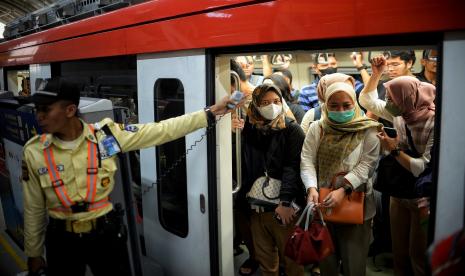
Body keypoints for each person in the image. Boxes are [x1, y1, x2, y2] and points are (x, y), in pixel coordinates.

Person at [22, 77, 241, 276]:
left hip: (106, 235)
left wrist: (210, 113)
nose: (38, 115)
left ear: (70, 110)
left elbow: (161, 130)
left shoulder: (106, 136)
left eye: (46, 109)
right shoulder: (34, 152)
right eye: (37, 109)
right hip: (62, 240)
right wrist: (34, 254)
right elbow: (34, 207)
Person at [359, 56, 435, 276]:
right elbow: (367, 100)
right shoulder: (401, 114)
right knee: (399, 252)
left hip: (422, 196)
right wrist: (376, 74)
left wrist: (393, 150)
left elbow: (423, 167)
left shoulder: (434, 121)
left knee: (418, 254)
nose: (388, 103)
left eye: (392, 98)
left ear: (407, 98)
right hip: (399, 192)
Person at [301, 81, 381, 276]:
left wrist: (344, 189)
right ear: (325, 105)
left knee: (354, 265)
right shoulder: (317, 128)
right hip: (322, 205)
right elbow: (307, 160)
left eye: (346, 105)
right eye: (334, 106)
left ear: (355, 103)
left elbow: (367, 165)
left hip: (356, 205)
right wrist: (311, 188)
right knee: (326, 265)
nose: (341, 110)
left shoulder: (368, 129)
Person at [233, 83, 305, 276]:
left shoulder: (292, 130)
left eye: (276, 101)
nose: (272, 106)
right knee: (266, 262)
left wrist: (285, 202)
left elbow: (293, 167)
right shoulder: (249, 129)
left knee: (291, 261)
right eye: (264, 102)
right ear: (256, 105)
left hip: (284, 206)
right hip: (256, 205)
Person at [298, 52, 365, 112]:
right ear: (315, 68)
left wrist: (360, 66)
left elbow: (370, 94)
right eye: (325, 65)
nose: (330, 67)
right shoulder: (306, 91)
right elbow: (307, 118)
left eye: (333, 64)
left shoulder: (349, 83)